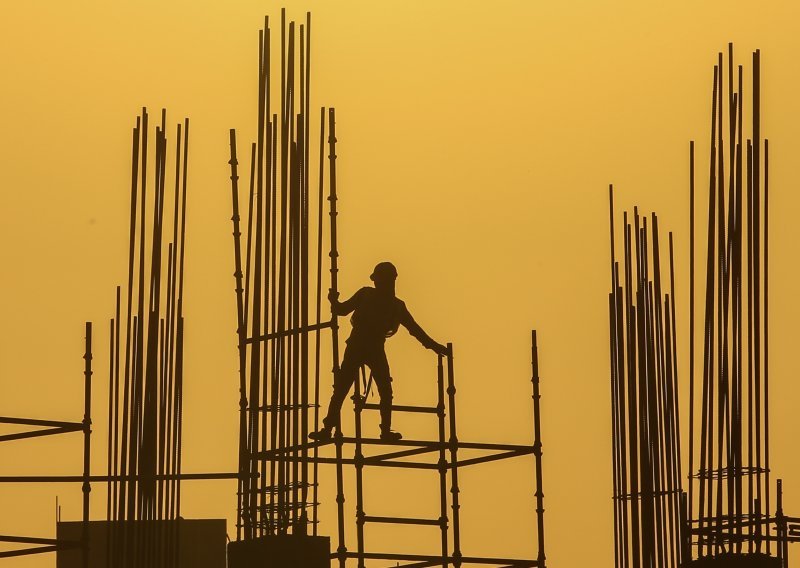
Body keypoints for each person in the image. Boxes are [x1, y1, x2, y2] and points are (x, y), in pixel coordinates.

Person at [309, 261, 448, 442]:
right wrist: (333, 300)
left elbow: (415, 330)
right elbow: (341, 310)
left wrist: (435, 346)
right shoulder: (366, 294)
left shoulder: (397, 306)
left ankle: (384, 431)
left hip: (373, 347)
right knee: (343, 388)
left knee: (383, 390)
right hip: (358, 345)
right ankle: (328, 428)